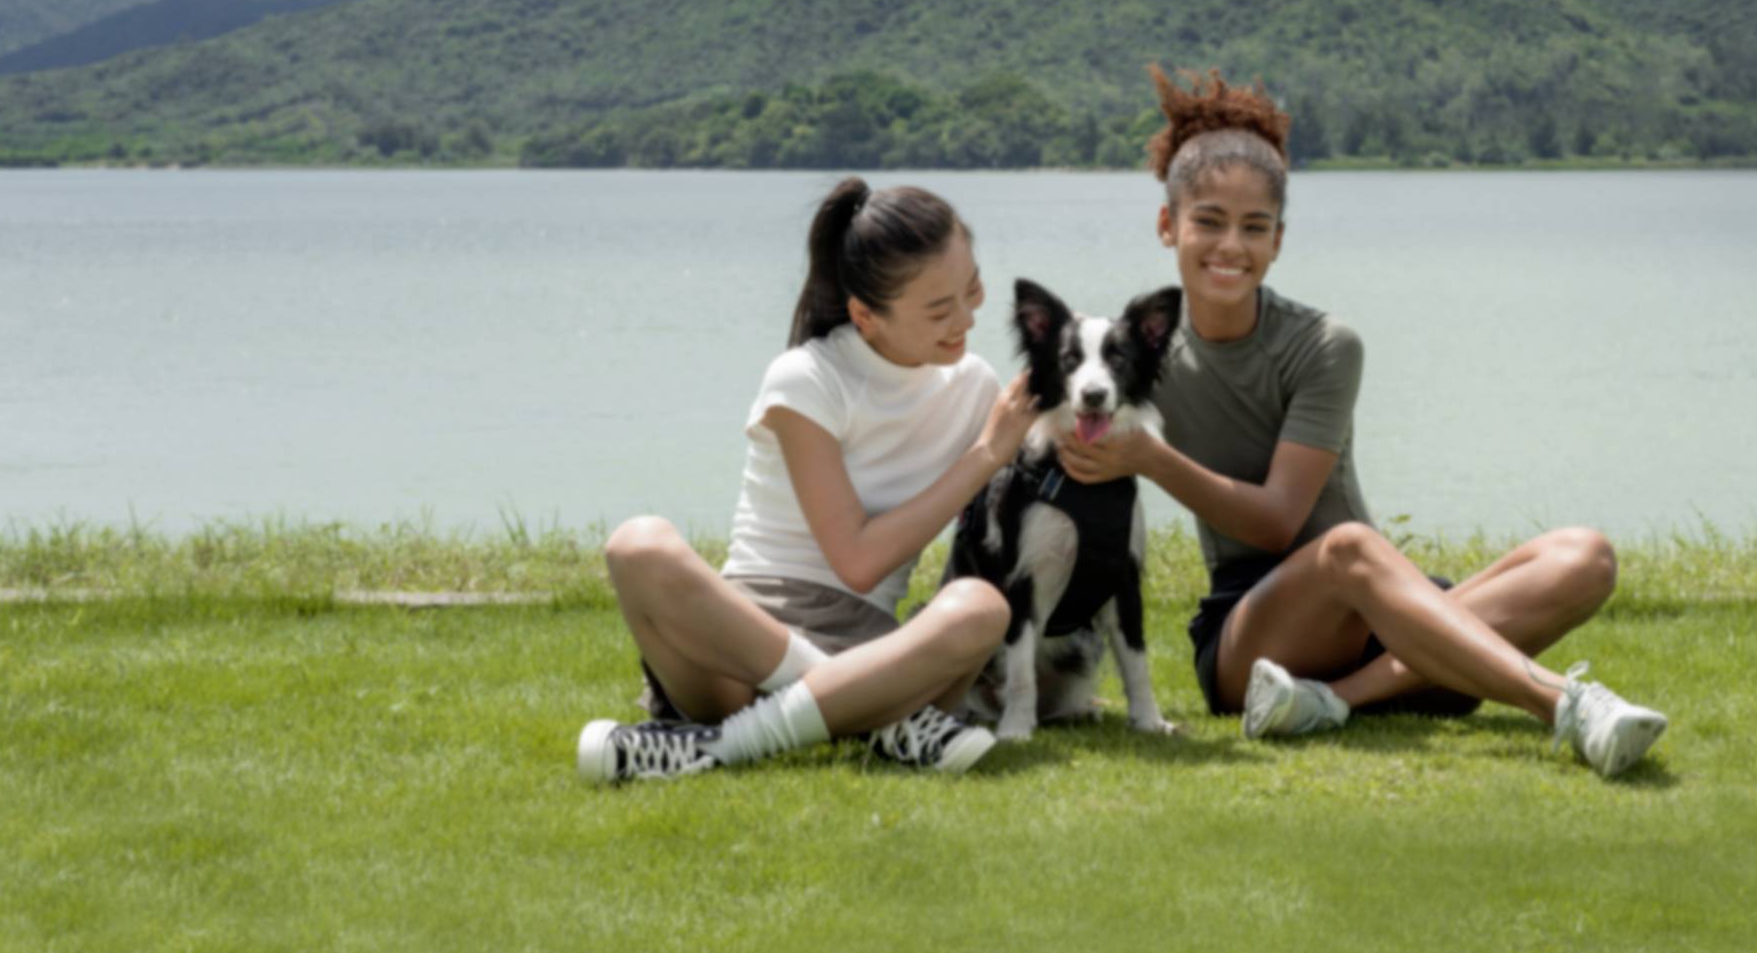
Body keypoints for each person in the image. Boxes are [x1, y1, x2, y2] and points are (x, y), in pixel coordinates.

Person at [1050, 67, 1668, 778]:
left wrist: (1152, 458)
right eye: (1209, 221)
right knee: (1349, 550)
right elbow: (1044, 396)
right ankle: (1567, 705)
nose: (1231, 246)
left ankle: (1331, 701)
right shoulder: (1137, 356)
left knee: (1585, 554)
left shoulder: (1323, 344)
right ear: (1169, 225)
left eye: (1254, 227)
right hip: (1252, 634)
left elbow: (1282, 515)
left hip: (1378, 611)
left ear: (1278, 239)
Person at [575, 178, 1037, 782]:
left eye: (971, 289)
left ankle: (709, 750)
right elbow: (857, 559)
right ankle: (880, 722)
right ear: (865, 317)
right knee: (637, 545)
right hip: (739, 644)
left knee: (979, 608)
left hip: (869, 645)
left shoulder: (974, 385)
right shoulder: (806, 377)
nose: (965, 318)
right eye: (937, 309)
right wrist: (984, 455)